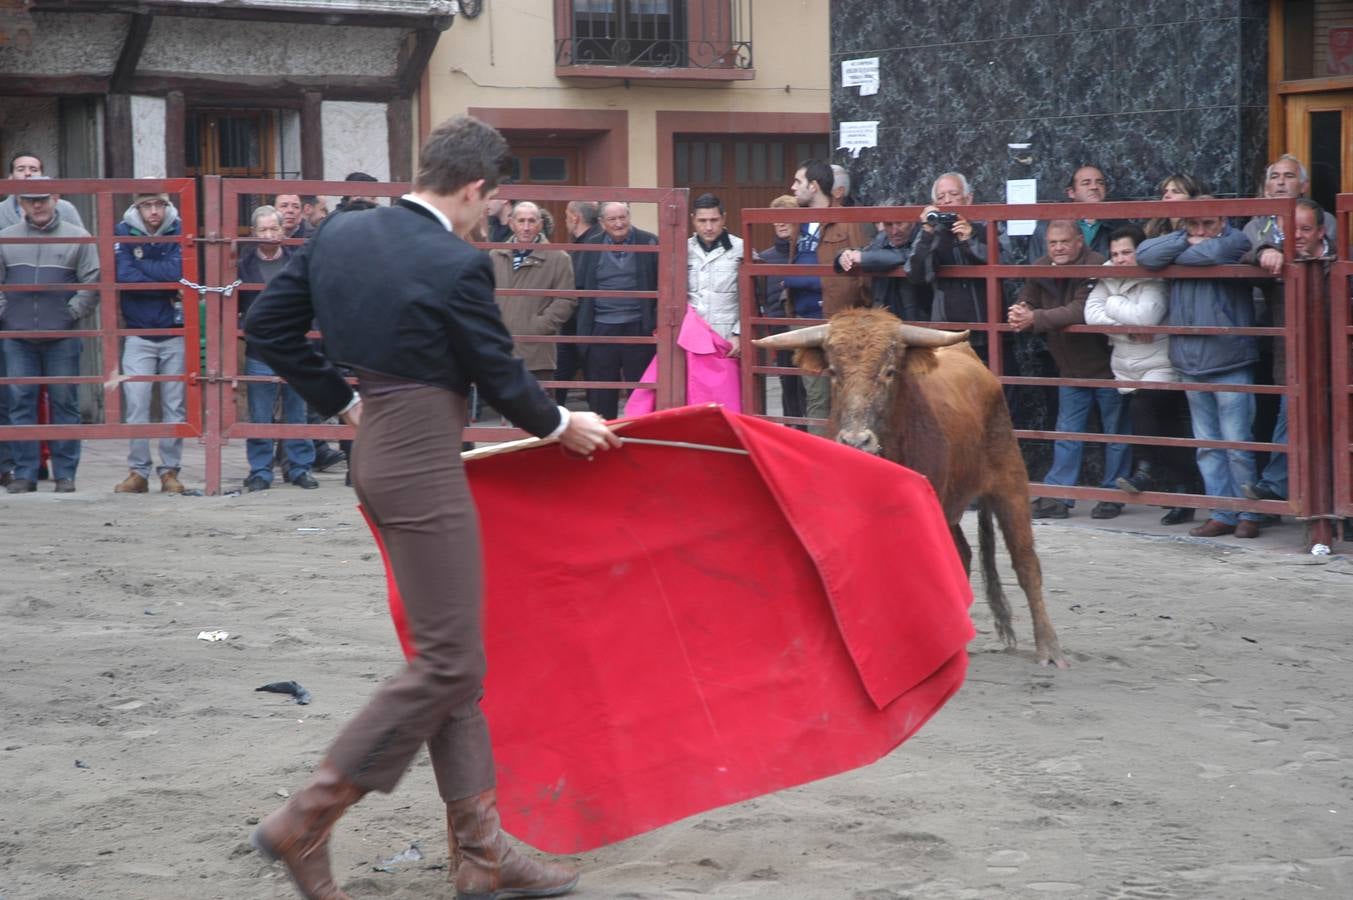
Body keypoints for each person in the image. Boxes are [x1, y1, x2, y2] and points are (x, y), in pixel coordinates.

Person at [244, 113, 615, 900]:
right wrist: (561, 425)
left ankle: (481, 857)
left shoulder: (341, 234)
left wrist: (339, 399)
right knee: (450, 661)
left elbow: (265, 327)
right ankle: (305, 818)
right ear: (476, 188)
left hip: (378, 445)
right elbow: (498, 371)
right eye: (489, 202)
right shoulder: (456, 262)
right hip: (420, 458)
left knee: (454, 663)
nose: (487, 215)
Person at [1137, 200, 1265, 538]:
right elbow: (1145, 256)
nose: (1200, 231)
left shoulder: (1236, 240)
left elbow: (1209, 255)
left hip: (1229, 358)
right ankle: (1223, 513)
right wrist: (1184, 240)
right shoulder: (1181, 240)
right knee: (1208, 445)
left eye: (1207, 223)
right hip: (1190, 361)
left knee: (1238, 443)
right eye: (1192, 224)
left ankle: (1250, 513)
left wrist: (1187, 249)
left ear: (1222, 219)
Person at [1007, 220, 1127, 519]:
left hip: (1107, 366)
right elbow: (1027, 296)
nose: (1058, 248)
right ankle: (1059, 497)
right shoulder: (1041, 266)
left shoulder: (1097, 264)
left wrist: (1033, 318)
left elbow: (1080, 311)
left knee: (1115, 433)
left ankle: (1113, 494)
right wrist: (1019, 309)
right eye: (1052, 243)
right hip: (1070, 368)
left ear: (1079, 242)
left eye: (1064, 242)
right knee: (1067, 433)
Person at [1084, 224, 1196, 525]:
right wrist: (1130, 329)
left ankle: (1156, 477)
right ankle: (1181, 492)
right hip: (1126, 365)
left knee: (1149, 419)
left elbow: (1146, 317)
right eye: (1115, 254)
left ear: (1141, 251)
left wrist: (1112, 304)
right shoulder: (1107, 276)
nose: (1120, 259)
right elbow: (1089, 314)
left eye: (1127, 252)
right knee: (1165, 433)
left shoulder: (1153, 277)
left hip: (1160, 364)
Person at [0, 177, 98, 493]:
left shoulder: (78, 238)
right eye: (30, 200)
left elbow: (92, 282)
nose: (37, 205)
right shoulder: (5, 238)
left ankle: (65, 474)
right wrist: (7, 316)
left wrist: (69, 315)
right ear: (21, 203)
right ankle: (25, 473)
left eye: (43, 198)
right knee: (20, 401)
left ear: (55, 198)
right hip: (17, 337)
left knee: (64, 402)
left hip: (63, 336)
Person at [1241, 197, 1333, 505]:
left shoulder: (1342, 261)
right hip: (1293, 366)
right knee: (1288, 423)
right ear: (1280, 228)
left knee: (1338, 437)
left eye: (1305, 229)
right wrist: (1263, 251)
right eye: (1291, 228)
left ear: (1321, 231)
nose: (1297, 235)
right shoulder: (1278, 260)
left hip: (1337, 367)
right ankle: (1274, 491)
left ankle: (1341, 509)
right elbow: (1242, 253)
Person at [782, 159, 871, 433]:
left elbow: (864, 275)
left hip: (840, 323)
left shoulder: (848, 220)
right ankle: (820, 465)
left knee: (848, 397)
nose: (793, 188)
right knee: (816, 399)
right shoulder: (799, 221)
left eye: (798, 182)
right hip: (805, 322)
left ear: (814, 185)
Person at [235, 205, 317, 491]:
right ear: (253, 233)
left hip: (296, 347)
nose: (269, 234)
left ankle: (299, 468)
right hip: (259, 351)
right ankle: (260, 470)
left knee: (297, 410)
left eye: (274, 228)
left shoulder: (298, 261)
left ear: (284, 231)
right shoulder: (243, 266)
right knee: (260, 413)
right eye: (263, 229)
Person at [112, 190, 188, 494]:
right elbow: (124, 275)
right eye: (147, 205)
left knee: (175, 404)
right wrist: (164, 283)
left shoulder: (181, 229)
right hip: (138, 331)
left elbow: (180, 272)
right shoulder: (123, 231)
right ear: (137, 207)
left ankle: (170, 471)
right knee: (137, 401)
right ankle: (138, 471)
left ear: (167, 206)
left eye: (159, 204)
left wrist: (150, 276)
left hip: (174, 331)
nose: (154, 211)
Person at [907, 172, 1008, 359]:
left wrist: (970, 240)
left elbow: (1006, 262)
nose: (947, 201)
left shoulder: (988, 226)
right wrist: (928, 232)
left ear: (968, 198)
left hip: (987, 330)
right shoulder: (930, 233)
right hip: (947, 332)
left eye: (953, 195)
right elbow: (915, 274)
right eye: (940, 197)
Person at [574, 201, 659, 419]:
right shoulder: (590, 246)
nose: (619, 223)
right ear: (602, 223)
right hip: (601, 328)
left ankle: (640, 438)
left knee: (640, 391)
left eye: (623, 217)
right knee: (602, 394)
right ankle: (605, 439)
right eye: (612, 219)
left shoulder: (649, 242)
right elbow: (580, 286)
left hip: (639, 327)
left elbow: (662, 284)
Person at [488, 200, 577, 386]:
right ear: (511, 223)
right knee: (508, 410)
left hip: (538, 352)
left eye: (531, 221)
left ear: (540, 224)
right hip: (502, 348)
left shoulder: (558, 258)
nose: (526, 227)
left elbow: (566, 299)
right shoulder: (495, 255)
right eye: (521, 221)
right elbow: (484, 295)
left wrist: (539, 326)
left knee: (540, 408)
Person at [755, 194, 806, 422]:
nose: (781, 223)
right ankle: (790, 428)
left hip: (806, 326)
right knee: (788, 384)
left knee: (812, 386)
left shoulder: (807, 254)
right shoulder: (764, 259)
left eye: (786, 217)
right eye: (776, 218)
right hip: (779, 329)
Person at [836, 198, 929, 321]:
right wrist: (844, 255)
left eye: (900, 223)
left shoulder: (925, 235)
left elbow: (909, 255)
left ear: (912, 221)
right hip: (884, 320)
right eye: (888, 224)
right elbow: (867, 251)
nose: (895, 231)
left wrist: (861, 257)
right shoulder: (882, 238)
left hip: (918, 322)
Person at [554, 200, 602, 405]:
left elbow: (578, 286)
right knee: (594, 382)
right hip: (585, 323)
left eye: (566, 216)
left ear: (575, 217)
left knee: (561, 376)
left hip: (579, 323)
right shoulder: (595, 241)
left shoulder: (590, 244)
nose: (566, 221)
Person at [686, 192, 744, 345]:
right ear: (693, 219)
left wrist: (739, 333)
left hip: (727, 337)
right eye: (702, 221)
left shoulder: (741, 249)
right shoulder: (683, 250)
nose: (709, 227)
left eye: (714, 220)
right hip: (692, 334)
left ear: (723, 218)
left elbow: (751, 298)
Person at [1026, 165, 1118, 261]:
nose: (1094, 187)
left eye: (1100, 183)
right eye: (1086, 183)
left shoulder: (1116, 227)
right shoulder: (1045, 228)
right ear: (1071, 192)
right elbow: (1036, 266)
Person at [0, 152, 84, 230]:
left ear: (42, 176)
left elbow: (82, 241)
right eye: (21, 169)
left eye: (34, 170)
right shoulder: (1, 210)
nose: (28, 173)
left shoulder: (65, 208)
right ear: (10, 177)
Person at [1144, 173, 1206, 238]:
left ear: (1193, 197)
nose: (1166, 196)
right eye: (1165, 192)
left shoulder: (1201, 230)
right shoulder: (1153, 227)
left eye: (1176, 192)